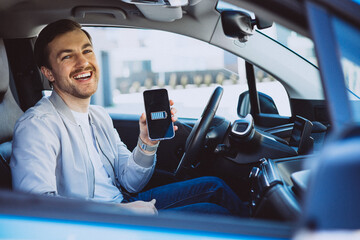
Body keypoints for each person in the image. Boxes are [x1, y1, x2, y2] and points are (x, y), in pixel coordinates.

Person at [10, 19, 249, 217]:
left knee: (214, 186)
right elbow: (36, 207)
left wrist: (147, 142)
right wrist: (121, 212)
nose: (83, 62)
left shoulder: (98, 116)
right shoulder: (37, 126)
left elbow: (130, 182)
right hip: (95, 224)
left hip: (121, 202)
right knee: (214, 213)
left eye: (86, 50)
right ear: (48, 72)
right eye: (67, 56)